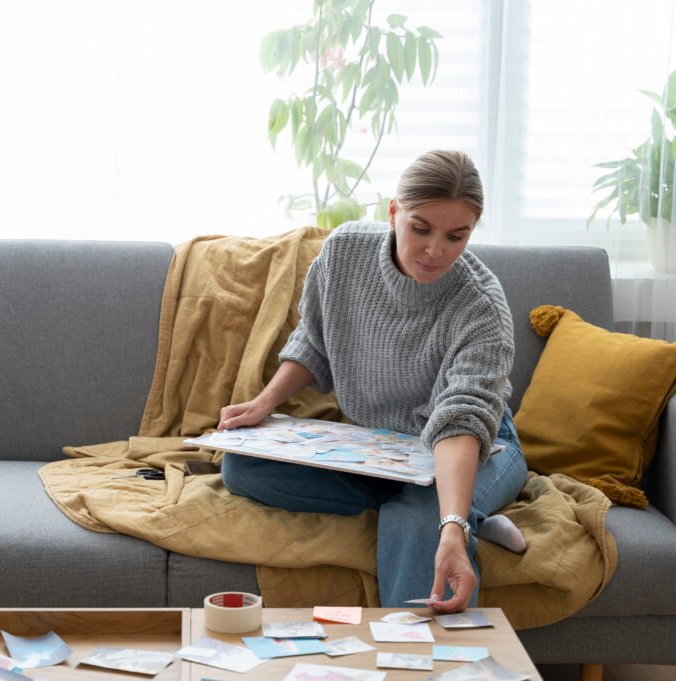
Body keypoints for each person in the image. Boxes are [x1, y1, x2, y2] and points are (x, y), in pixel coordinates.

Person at [218, 150, 527, 613]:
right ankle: (467, 517)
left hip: (478, 444)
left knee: (421, 517)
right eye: (420, 228)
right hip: (383, 446)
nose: (435, 250)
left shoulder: (481, 306)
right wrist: (265, 403)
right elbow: (315, 340)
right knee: (243, 467)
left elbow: (461, 421)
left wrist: (449, 523)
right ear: (393, 212)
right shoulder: (345, 252)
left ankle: (452, 533)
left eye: (456, 236)